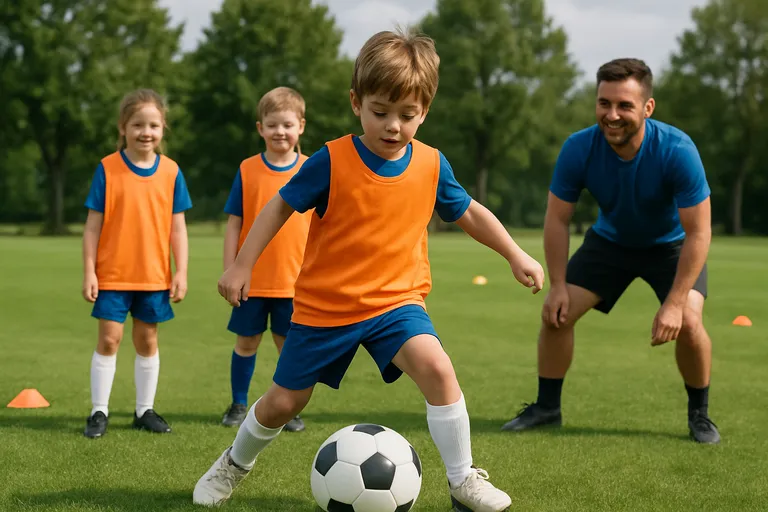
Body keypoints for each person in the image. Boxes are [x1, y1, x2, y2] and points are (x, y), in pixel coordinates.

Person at [193, 29, 544, 510]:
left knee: (438, 369)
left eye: (408, 115)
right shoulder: (330, 160)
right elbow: (277, 207)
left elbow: (470, 213)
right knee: (284, 403)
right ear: (356, 103)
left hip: (395, 303)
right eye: (381, 112)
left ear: (426, 111)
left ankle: (463, 480)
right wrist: (241, 266)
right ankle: (233, 464)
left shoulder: (431, 165)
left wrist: (515, 253)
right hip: (324, 308)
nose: (394, 126)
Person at [501, 58, 720, 444]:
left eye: (624, 105)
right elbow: (556, 219)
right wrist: (558, 285)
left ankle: (699, 416)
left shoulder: (677, 150)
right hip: (610, 244)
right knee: (557, 315)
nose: (612, 115)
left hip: (671, 246)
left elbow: (699, 232)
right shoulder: (579, 147)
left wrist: (674, 301)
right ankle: (547, 408)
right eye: (604, 103)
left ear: (647, 108)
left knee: (688, 320)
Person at [81, 88, 192, 439]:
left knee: (147, 341)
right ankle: (99, 411)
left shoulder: (172, 172)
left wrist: (181, 271)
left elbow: (178, 228)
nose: (146, 132)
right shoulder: (107, 168)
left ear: (163, 129)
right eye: (138, 124)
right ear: (123, 128)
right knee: (110, 340)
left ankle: (144, 410)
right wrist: (89, 272)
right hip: (112, 275)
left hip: (154, 277)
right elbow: (92, 227)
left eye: (154, 125)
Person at [220, 87, 311, 432]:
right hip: (252, 281)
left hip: (295, 282)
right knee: (246, 342)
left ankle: (286, 408)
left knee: (288, 347)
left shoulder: (310, 169)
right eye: (272, 125)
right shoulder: (247, 169)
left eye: (287, 124)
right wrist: (231, 269)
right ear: (260, 128)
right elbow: (235, 223)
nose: (280, 132)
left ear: (300, 126)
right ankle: (239, 404)